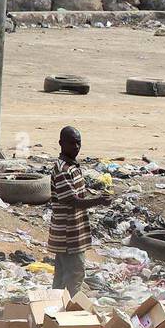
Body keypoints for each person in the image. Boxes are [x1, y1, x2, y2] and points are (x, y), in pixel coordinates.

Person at [48, 126, 109, 294]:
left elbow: (77, 194)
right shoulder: (63, 170)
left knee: (61, 278)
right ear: (61, 144)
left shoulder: (72, 166)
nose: (76, 147)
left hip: (72, 231)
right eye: (72, 143)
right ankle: (71, 314)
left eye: (78, 143)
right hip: (69, 234)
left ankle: (53, 311)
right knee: (75, 276)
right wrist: (99, 201)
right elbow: (72, 201)